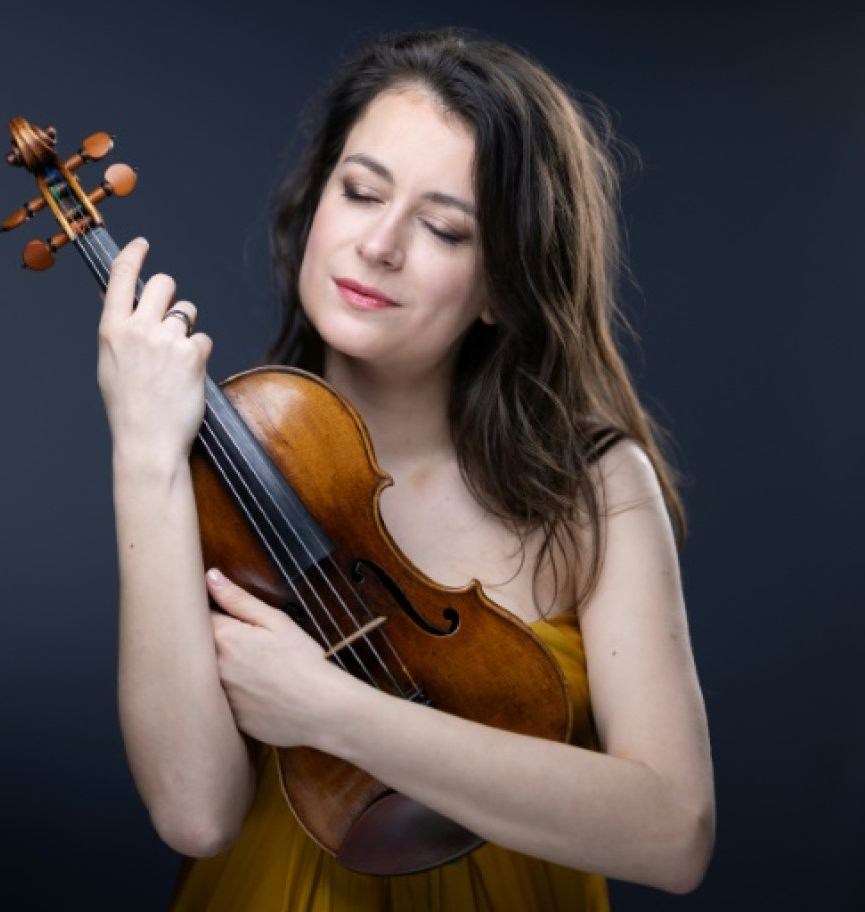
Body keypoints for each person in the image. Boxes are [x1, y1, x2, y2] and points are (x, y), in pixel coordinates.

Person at [95, 28, 714, 911]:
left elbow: (675, 834)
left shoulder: (592, 488)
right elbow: (196, 813)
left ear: (502, 284)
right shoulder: (211, 471)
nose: (380, 244)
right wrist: (144, 454)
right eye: (359, 192)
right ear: (316, 206)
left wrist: (335, 712)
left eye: (443, 228)